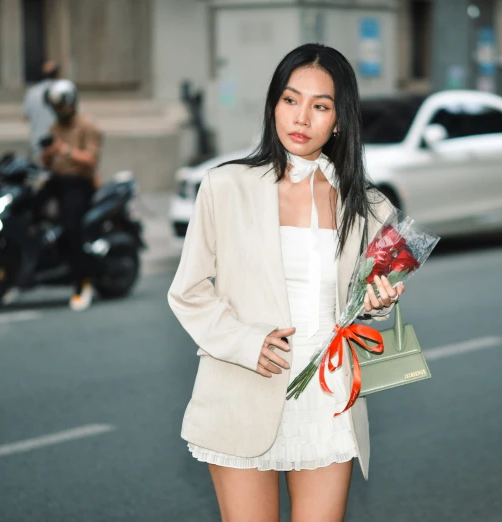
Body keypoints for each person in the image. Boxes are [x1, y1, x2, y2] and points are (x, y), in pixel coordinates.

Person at [168, 43, 406, 522]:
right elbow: (189, 291)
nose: (301, 117)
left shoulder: (372, 207)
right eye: (290, 100)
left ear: (339, 121)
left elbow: (368, 305)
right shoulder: (225, 186)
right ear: (273, 104)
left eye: (320, 106)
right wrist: (245, 342)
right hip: (244, 387)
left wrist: (380, 301)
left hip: (330, 395)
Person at [40, 79, 103, 312]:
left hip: (79, 183)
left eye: (61, 107)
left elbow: (91, 160)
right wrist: (47, 155)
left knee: (71, 227)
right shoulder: (55, 127)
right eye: (55, 108)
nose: (58, 112)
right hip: (56, 180)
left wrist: (63, 150)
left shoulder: (87, 126)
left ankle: (82, 283)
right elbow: (46, 159)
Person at [22, 60, 60, 162]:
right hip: (59, 149)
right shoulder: (62, 90)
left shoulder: (32, 92)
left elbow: (25, 118)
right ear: (58, 74)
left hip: (37, 147)